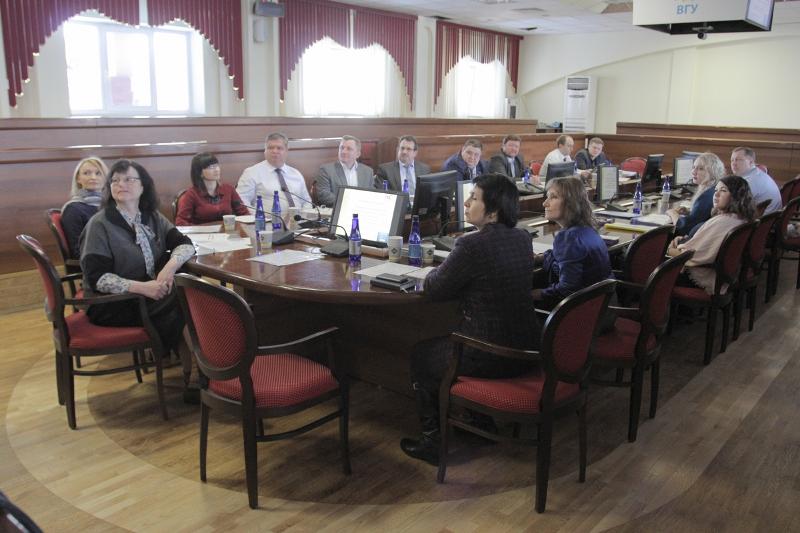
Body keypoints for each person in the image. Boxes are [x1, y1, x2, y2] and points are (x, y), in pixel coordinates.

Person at [400, 174, 541, 466]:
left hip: (491, 354)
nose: (465, 203)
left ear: (493, 211)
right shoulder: (522, 237)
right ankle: (481, 422)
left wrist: (437, 268)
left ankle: (432, 443)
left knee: (422, 355)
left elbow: (434, 288)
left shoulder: (471, 245)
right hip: (528, 347)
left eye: (474, 198)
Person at [80, 159, 195, 360]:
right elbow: (98, 278)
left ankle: (190, 361)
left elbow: (185, 244)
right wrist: (143, 288)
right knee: (182, 300)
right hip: (111, 302)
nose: (121, 184)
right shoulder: (99, 224)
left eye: (128, 179)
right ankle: (198, 364)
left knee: (189, 290)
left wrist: (169, 268)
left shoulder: (151, 217)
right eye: (115, 180)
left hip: (148, 293)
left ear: (143, 187)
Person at [533, 176, 613, 311]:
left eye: (553, 197)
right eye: (547, 197)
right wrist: (540, 257)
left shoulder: (569, 238)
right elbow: (567, 256)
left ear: (570, 203)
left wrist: (538, 293)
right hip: (605, 305)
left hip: (584, 313)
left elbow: (567, 289)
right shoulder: (588, 228)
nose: (545, 203)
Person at [667, 175, 755, 295]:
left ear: (736, 196)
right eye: (716, 190)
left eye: (723, 190)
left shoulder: (722, 221)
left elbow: (690, 256)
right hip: (725, 274)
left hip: (704, 277)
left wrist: (669, 249)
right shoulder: (740, 217)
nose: (716, 194)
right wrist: (686, 241)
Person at [236, 132, 311, 213]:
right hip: (267, 220)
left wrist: (303, 217)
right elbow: (241, 201)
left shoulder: (296, 174)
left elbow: (307, 202)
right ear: (265, 151)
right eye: (270, 148)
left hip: (299, 219)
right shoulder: (251, 173)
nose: (275, 151)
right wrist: (259, 216)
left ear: (286, 151)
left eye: (279, 148)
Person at [175, 152, 249, 226]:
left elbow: (244, 213)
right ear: (200, 172)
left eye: (217, 166)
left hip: (227, 231)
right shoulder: (191, 194)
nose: (216, 170)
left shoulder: (228, 189)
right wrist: (199, 229)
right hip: (201, 232)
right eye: (211, 167)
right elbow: (180, 222)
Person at [666, 152, 724, 236]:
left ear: (712, 172)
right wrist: (690, 212)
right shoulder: (713, 188)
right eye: (693, 167)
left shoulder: (706, 196)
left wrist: (673, 213)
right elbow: (700, 217)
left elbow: (685, 228)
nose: (693, 172)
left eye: (700, 169)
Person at [61, 157, 108, 259]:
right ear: (78, 178)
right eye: (87, 173)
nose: (93, 177)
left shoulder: (112, 206)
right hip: (96, 263)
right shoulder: (73, 210)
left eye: (98, 173)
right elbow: (77, 252)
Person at [315, 135, 375, 206]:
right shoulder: (326, 170)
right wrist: (349, 203)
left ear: (358, 154)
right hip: (337, 209)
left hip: (362, 209)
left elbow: (372, 194)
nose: (343, 151)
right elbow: (324, 195)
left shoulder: (368, 172)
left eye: (349, 149)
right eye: (342, 148)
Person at [730, 147, 781, 215]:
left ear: (751, 162)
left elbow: (732, 206)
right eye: (732, 160)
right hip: (768, 217)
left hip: (763, 220)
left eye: (738, 160)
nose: (733, 163)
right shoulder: (757, 173)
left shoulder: (751, 181)